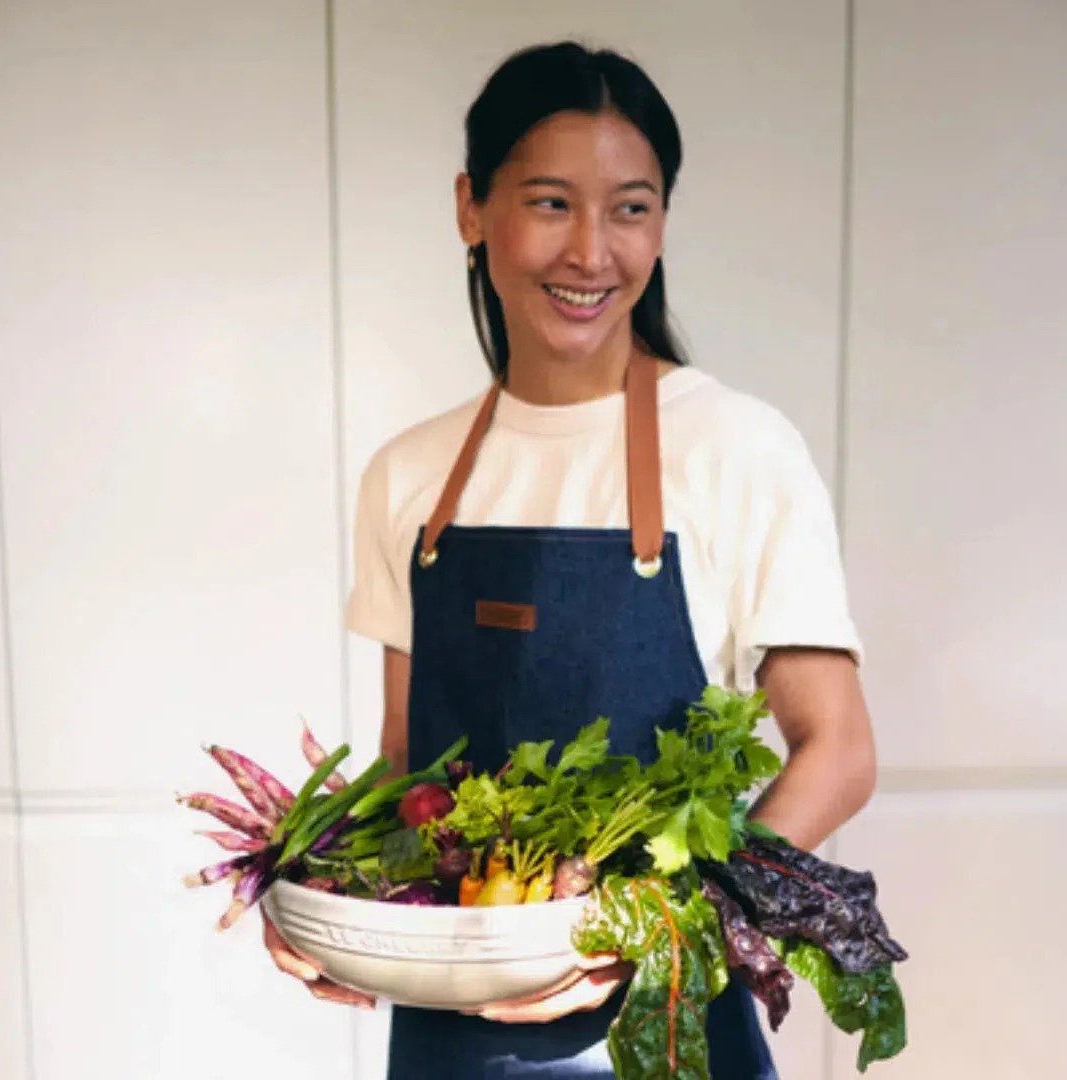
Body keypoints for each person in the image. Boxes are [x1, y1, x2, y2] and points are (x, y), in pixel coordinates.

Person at [263, 40, 877, 1079]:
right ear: (471, 208)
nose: (592, 252)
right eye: (551, 203)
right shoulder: (409, 477)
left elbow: (840, 749)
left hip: (671, 1030)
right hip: (452, 1035)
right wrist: (324, 900)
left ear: (662, 225)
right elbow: (410, 766)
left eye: (630, 209)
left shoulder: (736, 449)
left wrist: (664, 928)